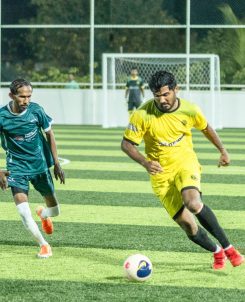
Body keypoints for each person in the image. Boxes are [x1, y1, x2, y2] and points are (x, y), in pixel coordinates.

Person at [121, 70, 244, 270]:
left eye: (166, 94)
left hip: (185, 163)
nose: (162, 100)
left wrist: (223, 150)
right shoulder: (142, 114)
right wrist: (145, 162)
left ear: (176, 89)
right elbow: (126, 144)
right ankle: (217, 251)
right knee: (188, 225)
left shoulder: (190, 110)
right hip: (161, 175)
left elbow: (206, 128)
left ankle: (230, 249)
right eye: (157, 95)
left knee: (193, 203)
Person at [0, 78, 65, 258]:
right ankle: (43, 245)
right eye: (22, 97)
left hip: (39, 165)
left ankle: (44, 214)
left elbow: (49, 134)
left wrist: (56, 163)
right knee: (22, 210)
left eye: (29, 96)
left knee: (55, 211)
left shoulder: (36, 111)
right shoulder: (1, 116)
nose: (26, 101)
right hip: (16, 167)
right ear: (11, 95)